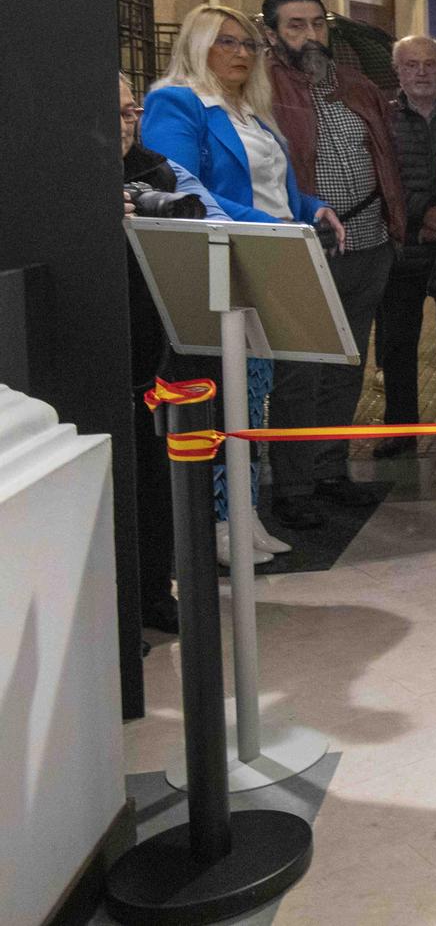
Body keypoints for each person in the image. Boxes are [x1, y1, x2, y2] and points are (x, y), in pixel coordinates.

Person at [143, 3, 341, 559]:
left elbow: (273, 186)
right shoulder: (177, 101)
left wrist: (312, 208)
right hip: (216, 268)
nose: (240, 53)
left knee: (253, 398)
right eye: (226, 42)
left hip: (265, 259)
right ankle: (217, 524)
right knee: (226, 395)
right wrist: (269, 225)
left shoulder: (250, 109)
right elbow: (182, 190)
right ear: (197, 45)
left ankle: (246, 514)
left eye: (249, 44)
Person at [261, 0, 405, 529]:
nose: (310, 35)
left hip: (368, 243)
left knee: (347, 364)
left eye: (318, 23)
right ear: (272, 33)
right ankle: (294, 484)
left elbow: (386, 157)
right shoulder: (262, 89)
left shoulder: (358, 87)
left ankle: (329, 471)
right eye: (296, 26)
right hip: (305, 248)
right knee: (300, 370)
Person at [121, 71, 227, 630]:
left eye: (130, 110)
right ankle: (115, 611)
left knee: (156, 478)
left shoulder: (155, 169)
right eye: (113, 113)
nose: (125, 122)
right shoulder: (54, 173)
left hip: (153, 348)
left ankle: (156, 594)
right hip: (94, 350)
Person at [374, 35, 436, 457]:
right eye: (412, 65)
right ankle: (401, 430)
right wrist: (422, 214)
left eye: (430, 64)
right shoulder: (382, 122)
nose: (422, 72)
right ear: (398, 71)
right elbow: (380, 180)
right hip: (402, 248)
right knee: (397, 345)